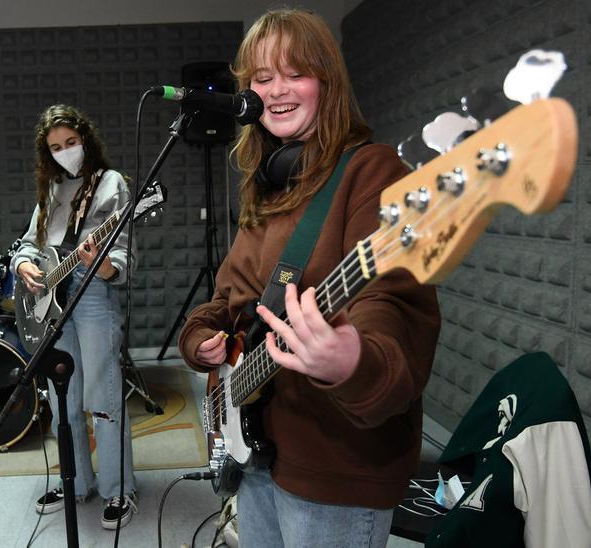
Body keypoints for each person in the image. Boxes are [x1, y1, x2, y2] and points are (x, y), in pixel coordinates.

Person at [178, 9, 441, 547]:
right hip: (258, 454)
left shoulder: (373, 173)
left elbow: (388, 305)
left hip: (333, 471)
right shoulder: (269, 187)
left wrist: (353, 361)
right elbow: (229, 298)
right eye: (261, 77)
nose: (276, 90)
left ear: (327, 82)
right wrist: (198, 340)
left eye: (294, 73)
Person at [11, 104, 137, 529]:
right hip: (52, 305)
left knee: (102, 396)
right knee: (63, 394)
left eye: (71, 143)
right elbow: (29, 243)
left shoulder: (111, 184)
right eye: (56, 147)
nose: (66, 152)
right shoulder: (50, 191)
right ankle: (76, 481)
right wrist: (24, 265)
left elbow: (122, 257)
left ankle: (119, 489)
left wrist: (100, 264)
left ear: (86, 139)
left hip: (93, 297)